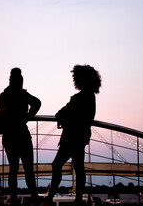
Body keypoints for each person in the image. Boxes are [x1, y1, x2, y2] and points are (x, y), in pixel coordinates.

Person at [46, 65, 101, 205]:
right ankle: (75, 199)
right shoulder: (88, 97)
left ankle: (51, 197)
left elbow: (65, 112)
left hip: (72, 136)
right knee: (77, 167)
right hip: (79, 136)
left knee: (59, 165)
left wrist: (64, 119)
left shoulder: (81, 97)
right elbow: (68, 113)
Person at [0, 68, 41, 205]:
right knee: (28, 169)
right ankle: (34, 197)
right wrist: (28, 116)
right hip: (22, 134)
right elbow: (37, 103)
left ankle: (14, 198)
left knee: (13, 169)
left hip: (9, 136)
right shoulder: (23, 94)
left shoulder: (4, 95)